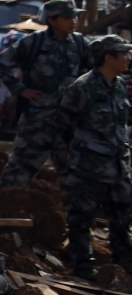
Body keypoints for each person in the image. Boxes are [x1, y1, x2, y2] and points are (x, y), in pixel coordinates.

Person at [55, 36, 132, 278]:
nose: (129, 58)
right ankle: (84, 268)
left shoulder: (119, 85)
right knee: (82, 219)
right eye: (124, 54)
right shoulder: (82, 88)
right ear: (108, 58)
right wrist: (66, 168)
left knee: (122, 218)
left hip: (119, 167)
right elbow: (61, 129)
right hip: (89, 169)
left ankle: (123, 264)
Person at [0, 0, 89, 190]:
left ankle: (70, 217)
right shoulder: (33, 42)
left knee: (73, 174)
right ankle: (1, 211)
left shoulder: (79, 43)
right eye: (67, 17)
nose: (73, 20)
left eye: (75, 16)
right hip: (37, 121)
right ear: (52, 20)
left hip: (68, 121)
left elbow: (95, 70)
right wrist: (22, 90)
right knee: (19, 171)